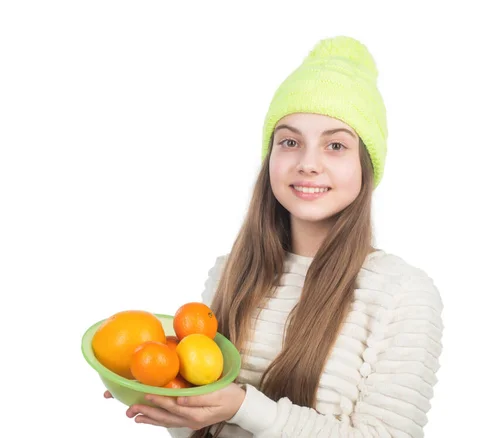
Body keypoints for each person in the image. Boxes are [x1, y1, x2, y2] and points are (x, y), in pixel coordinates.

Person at [106, 35, 444, 438]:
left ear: (365, 165)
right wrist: (169, 401)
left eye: (335, 145)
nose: (307, 164)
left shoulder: (402, 293)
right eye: (289, 142)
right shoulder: (231, 272)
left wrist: (245, 406)